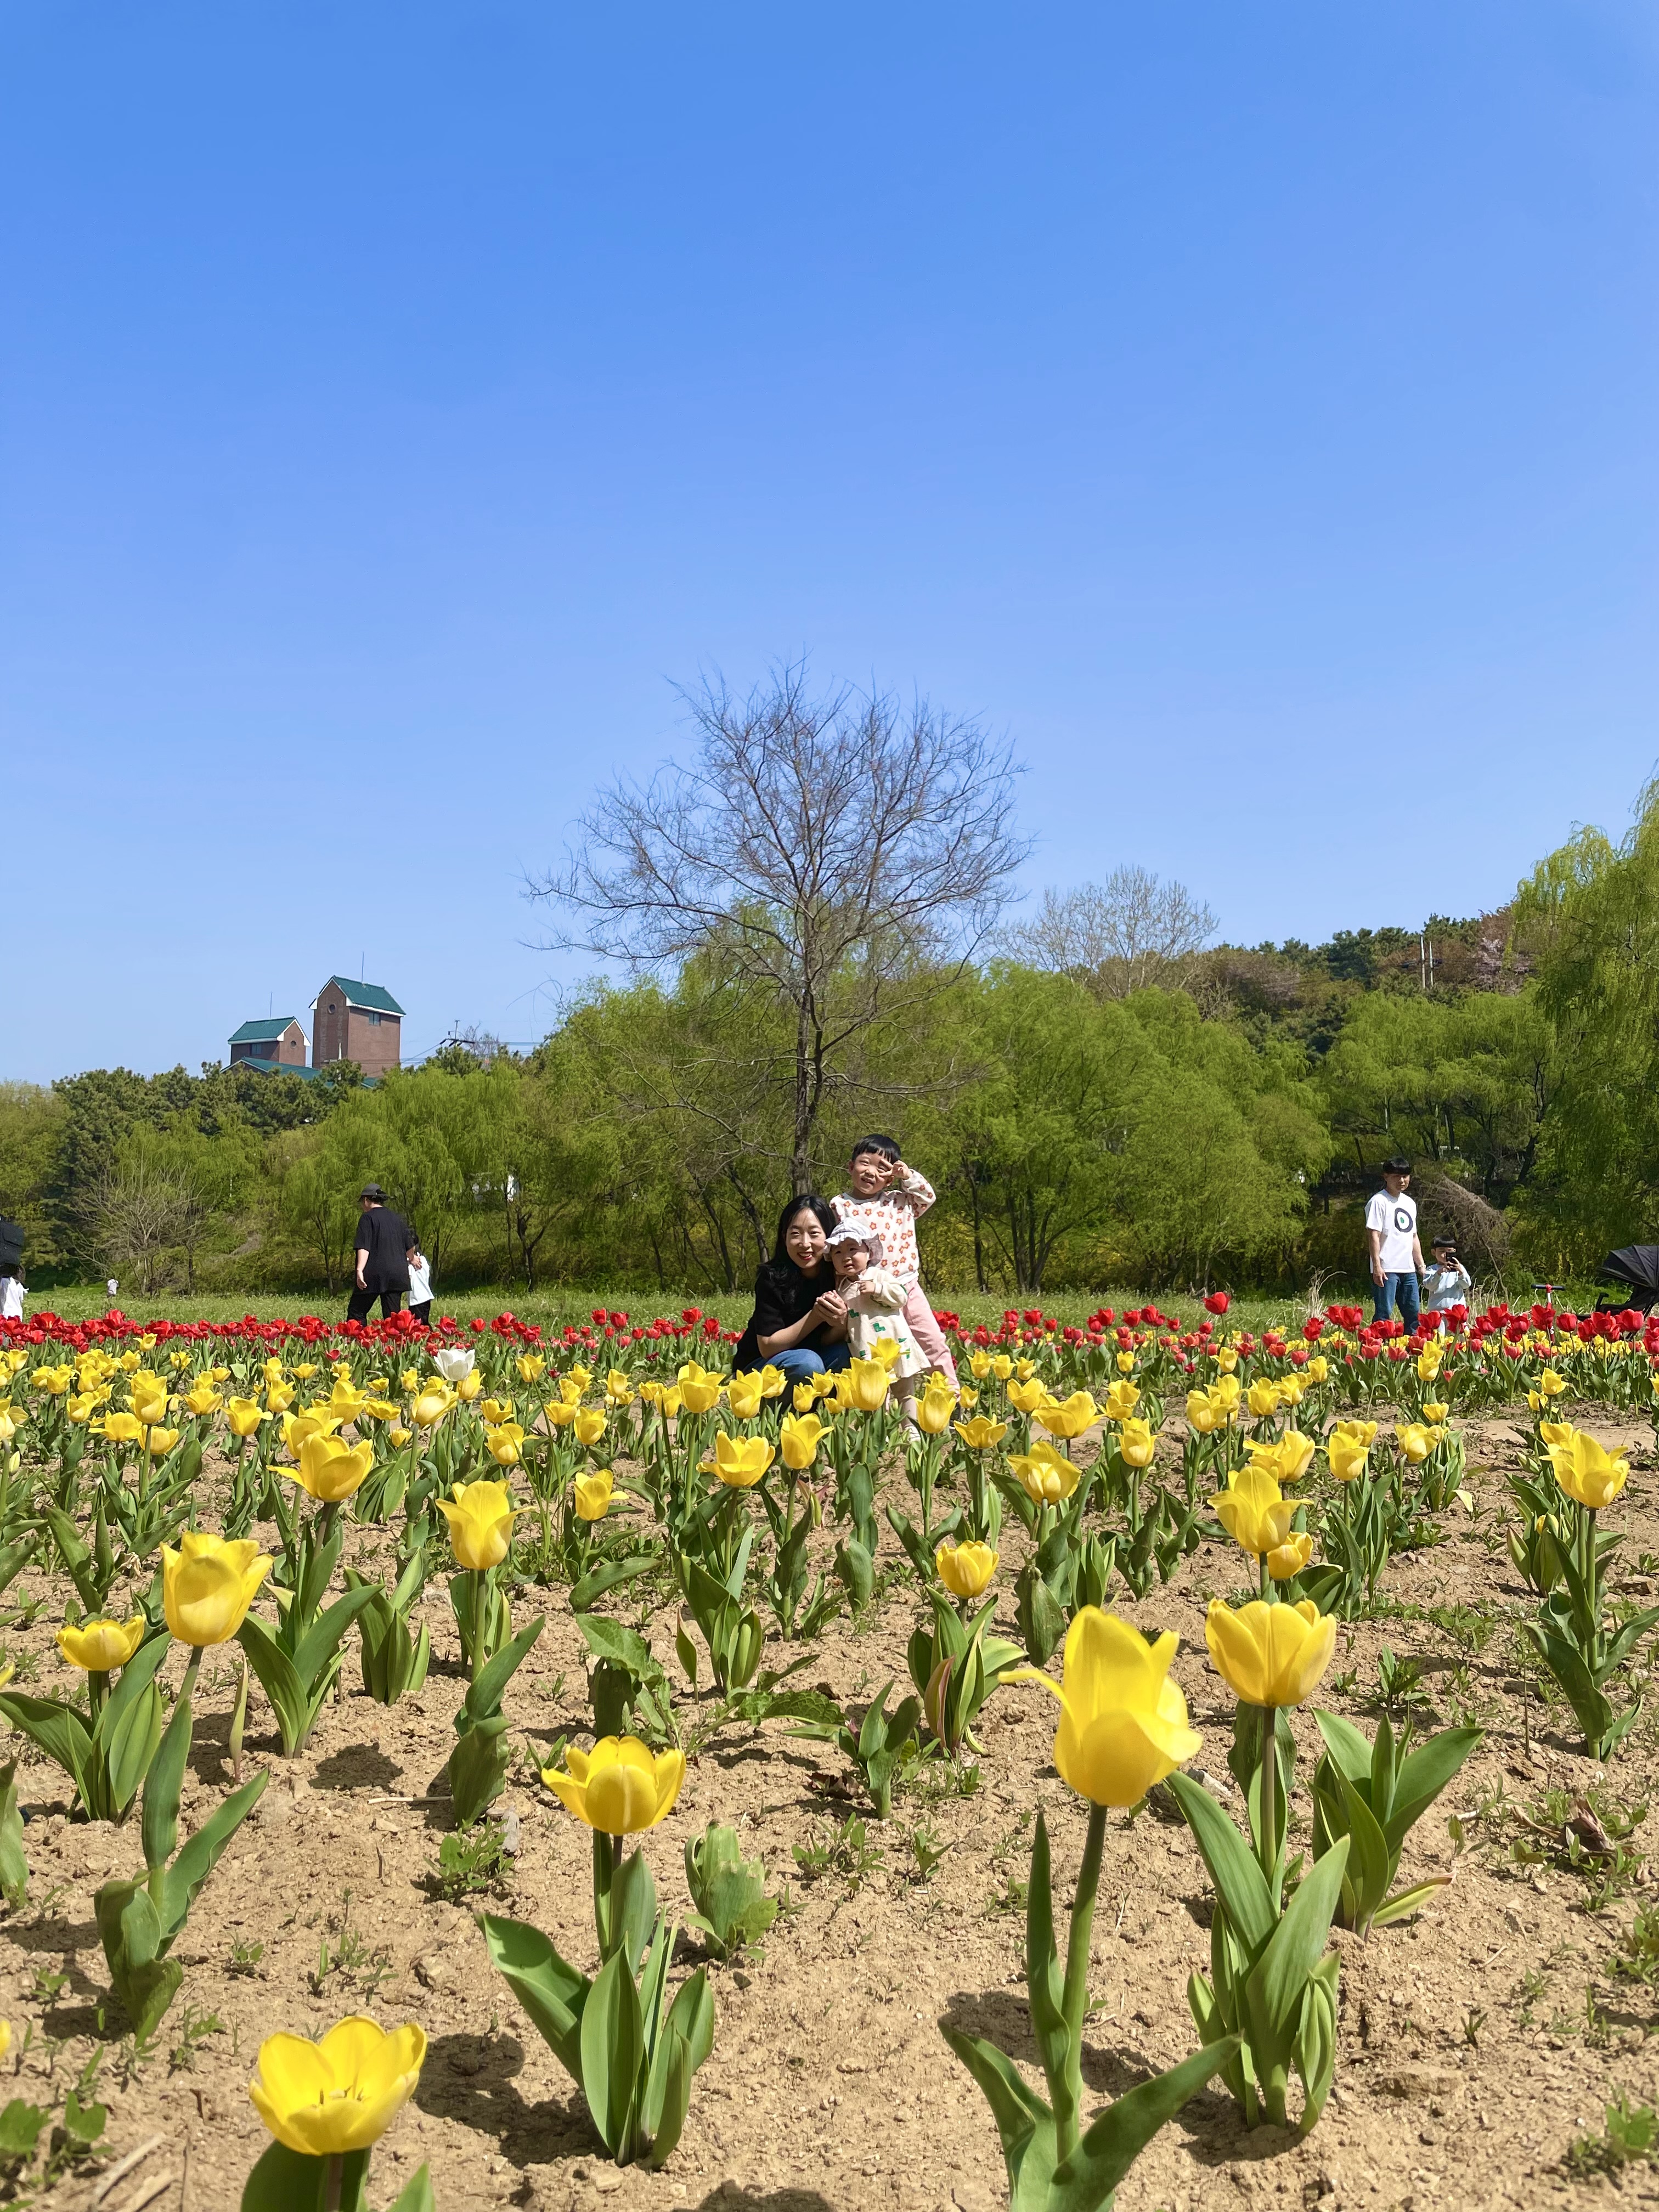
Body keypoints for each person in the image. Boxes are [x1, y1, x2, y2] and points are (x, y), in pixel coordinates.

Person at [832, 1135, 959, 1389]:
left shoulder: (900, 1201)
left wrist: (908, 1176)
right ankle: (883, 1409)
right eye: (864, 1163)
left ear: (890, 1179)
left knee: (933, 1340)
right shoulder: (841, 1206)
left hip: (905, 1284)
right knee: (876, 1349)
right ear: (850, 1167)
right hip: (868, 1291)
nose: (871, 1172)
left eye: (882, 1169)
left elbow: (928, 1197)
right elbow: (835, 1247)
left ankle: (949, 1395)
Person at [731, 1195, 851, 1383]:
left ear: (829, 1236)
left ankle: (820, 1410)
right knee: (807, 1363)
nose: (805, 1243)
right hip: (760, 1367)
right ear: (784, 1237)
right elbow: (768, 1347)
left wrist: (841, 1323)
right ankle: (773, 1409)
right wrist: (816, 1315)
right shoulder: (771, 1278)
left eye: (814, 1234)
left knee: (848, 1353)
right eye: (795, 1234)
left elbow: (824, 1341)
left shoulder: (839, 1278)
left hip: (814, 1358)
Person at [826, 1223, 927, 1418]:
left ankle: (911, 1429)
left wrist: (878, 1289)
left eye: (853, 1249)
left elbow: (901, 1297)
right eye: (838, 1252)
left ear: (869, 1252)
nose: (846, 1257)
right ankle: (880, 1433)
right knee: (875, 1395)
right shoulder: (842, 1289)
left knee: (904, 1392)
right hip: (865, 1349)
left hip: (894, 1346)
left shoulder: (879, 1276)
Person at [1365, 1158, 1425, 1329]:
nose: (1402, 1181)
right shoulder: (1378, 1201)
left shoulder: (1410, 1203)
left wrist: (1421, 1266)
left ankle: (1413, 1350)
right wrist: (1377, 1266)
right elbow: (1373, 1235)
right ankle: (1378, 1350)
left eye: (1405, 1176)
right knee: (1384, 1315)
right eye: (1397, 1176)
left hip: (1408, 1270)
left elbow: (1413, 1236)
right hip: (1387, 1269)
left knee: (1414, 1315)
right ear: (1386, 1177)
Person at [349, 1184, 418, 1323]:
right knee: (393, 1317)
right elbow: (410, 1244)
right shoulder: (397, 1218)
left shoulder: (367, 1218)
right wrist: (412, 1258)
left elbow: (364, 1246)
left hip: (374, 1273)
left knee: (357, 1312)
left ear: (367, 1200)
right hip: (397, 1273)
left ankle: (358, 1342)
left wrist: (359, 1269)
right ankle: (396, 1344)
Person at [1421, 1236, 1472, 1316]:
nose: (1445, 1255)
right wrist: (1438, 1274)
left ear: (1454, 1251)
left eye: (1449, 1252)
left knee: (1457, 1328)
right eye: (1442, 1251)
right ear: (1434, 1252)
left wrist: (1461, 1273)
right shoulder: (1432, 1269)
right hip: (1438, 1311)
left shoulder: (1459, 1267)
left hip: (1456, 1310)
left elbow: (1466, 1285)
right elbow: (1430, 1286)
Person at [406, 1246, 435, 1327]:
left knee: (419, 1326)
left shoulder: (412, 1264)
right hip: (426, 1297)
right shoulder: (423, 1259)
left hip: (417, 1299)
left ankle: (430, 1338)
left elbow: (409, 1277)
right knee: (424, 1322)